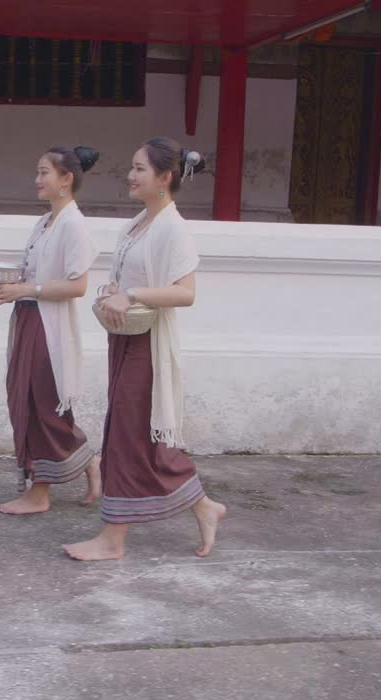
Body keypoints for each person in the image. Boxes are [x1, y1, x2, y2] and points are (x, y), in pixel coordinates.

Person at [63, 137, 227, 561]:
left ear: (164, 178)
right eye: (132, 167)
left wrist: (131, 295)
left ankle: (113, 539)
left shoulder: (173, 227)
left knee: (125, 436)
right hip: (124, 339)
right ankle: (203, 505)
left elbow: (185, 293)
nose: (130, 175)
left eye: (140, 169)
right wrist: (115, 292)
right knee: (134, 436)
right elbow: (132, 281)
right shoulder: (136, 224)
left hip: (149, 344)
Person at [0, 146, 103, 515]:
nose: (37, 180)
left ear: (66, 179)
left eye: (44, 173)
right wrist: (9, 285)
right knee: (26, 398)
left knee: (42, 403)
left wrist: (25, 289)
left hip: (48, 326)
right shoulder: (45, 222)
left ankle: (40, 492)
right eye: (37, 173)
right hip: (29, 318)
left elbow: (77, 286)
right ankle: (88, 461)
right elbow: (35, 274)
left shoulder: (74, 225)